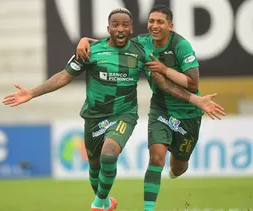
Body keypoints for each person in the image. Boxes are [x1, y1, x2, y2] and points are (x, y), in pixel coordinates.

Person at [4, 8, 224, 211]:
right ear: (108, 28)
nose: (120, 29)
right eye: (115, 25)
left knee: (110, 155)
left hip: (123, 115)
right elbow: (64, 76)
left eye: (125, 25)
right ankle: (106, 202)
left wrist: (196, 101)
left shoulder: (140, 52)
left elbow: (163, 83)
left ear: (131, 29)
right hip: (94, 116)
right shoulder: (92, 51)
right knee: (95, 167)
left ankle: (98, 204)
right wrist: (31, 93)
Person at [76, 5, 225, 211]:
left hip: (187, 111)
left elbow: (193, 84)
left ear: (170, 26)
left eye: (160, 22)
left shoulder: (181, 46)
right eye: (151, 21)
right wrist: (85, 40)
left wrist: (165, 70)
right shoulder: (141, 43)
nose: (154, 26)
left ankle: (179, 164)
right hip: (161, 109)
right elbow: (112, 43)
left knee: (178, 168)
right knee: (156, 157)